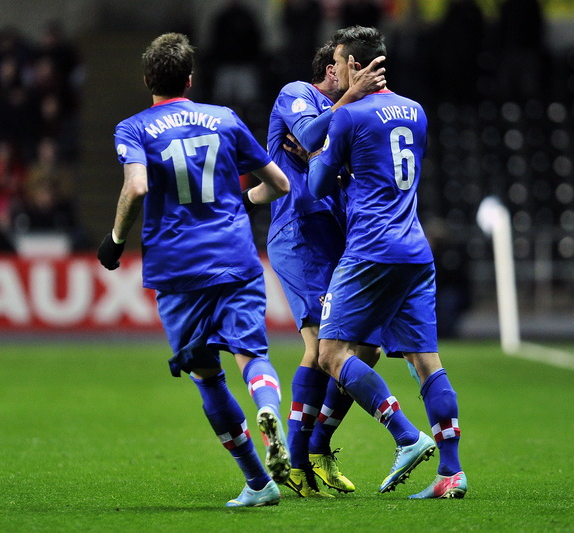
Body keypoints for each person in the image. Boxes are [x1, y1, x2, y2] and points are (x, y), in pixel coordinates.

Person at [96, 33, 291, 508]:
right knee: (251, 353)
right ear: (189, 78)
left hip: (177, 269)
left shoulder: (134, 127)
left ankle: (257, 481)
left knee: (207, 376)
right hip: (235, 258)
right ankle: (268, 410)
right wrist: (241, 201)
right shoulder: (223, 119)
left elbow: (137, 188)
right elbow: (280, 183)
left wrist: (116, 240)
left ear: (148, 80)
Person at [307, 25, 467, 499]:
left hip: (370, 249)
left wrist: (325, 156)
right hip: (416, 250)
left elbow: (317, 184)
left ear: (355, 66)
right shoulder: (416, 112)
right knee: (427, 363)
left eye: (337, 63)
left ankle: (405, 435)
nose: (333, 72)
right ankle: (451, 472)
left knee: (330, 354)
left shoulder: (349, 116)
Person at [265, 41, 386, 497]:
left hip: (340, 237)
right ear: (331, 70)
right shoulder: (296, 93)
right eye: (348, 67)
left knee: (367, 349)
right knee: (320, 346)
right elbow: (310, 137)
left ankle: (318, 446)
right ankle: (297, 461)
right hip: (300, 232)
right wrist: (350, 97)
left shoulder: (355, 110)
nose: (355, 75)